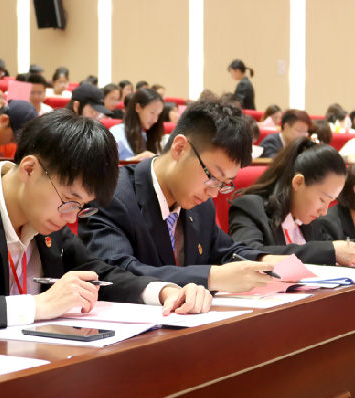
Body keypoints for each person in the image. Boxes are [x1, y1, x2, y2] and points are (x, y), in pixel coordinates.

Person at [0, 109, 212, 337]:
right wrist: (36, 306)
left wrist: (164, 292)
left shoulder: (49, 218)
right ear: (29, 169)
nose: (72, 218)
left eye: (82, 208)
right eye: (70, 201)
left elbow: (100, 274)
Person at [78, 100, 283, 292]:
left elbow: (226, 250)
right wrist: (211, 277)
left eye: (223, 184)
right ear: (180, 148)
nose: (213, 192)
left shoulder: (201, 204)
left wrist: (266, 261)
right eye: (212, 177)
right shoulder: (112, 195)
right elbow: (115, 272)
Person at [229, 138, 355, 266]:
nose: (324, 211)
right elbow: (246, 253)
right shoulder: (250, 208)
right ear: (298, 182)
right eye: (322, 200)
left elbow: (327, 244)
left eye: (330, 202)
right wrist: (329, 251)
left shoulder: (308, 219)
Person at [109, 88, 164, 161]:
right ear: (138, 107)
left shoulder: (147, 134)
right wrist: (138, 159)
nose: (155, 120)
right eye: (152, 113)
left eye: (158, 114)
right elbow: (108, 164)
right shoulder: (117, 132)